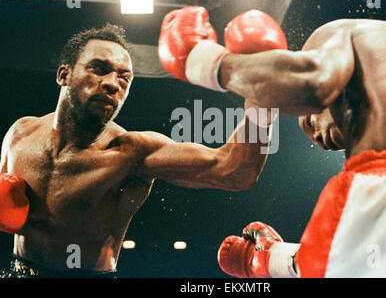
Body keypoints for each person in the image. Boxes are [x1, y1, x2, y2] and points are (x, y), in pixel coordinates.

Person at [157, 6, 386, 277]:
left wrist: (201, 60)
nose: (318, 139)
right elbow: (238, 171)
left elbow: (311, 83)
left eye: (308, 119)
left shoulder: (347, 33)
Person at [0, 23, 276, 278]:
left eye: (124, 78)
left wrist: (264, 99)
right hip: (17, 270)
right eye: (99, 69)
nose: (112, 84)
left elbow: (235, 171)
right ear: (64, 74)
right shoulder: (20, 134)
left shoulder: (132, 153)